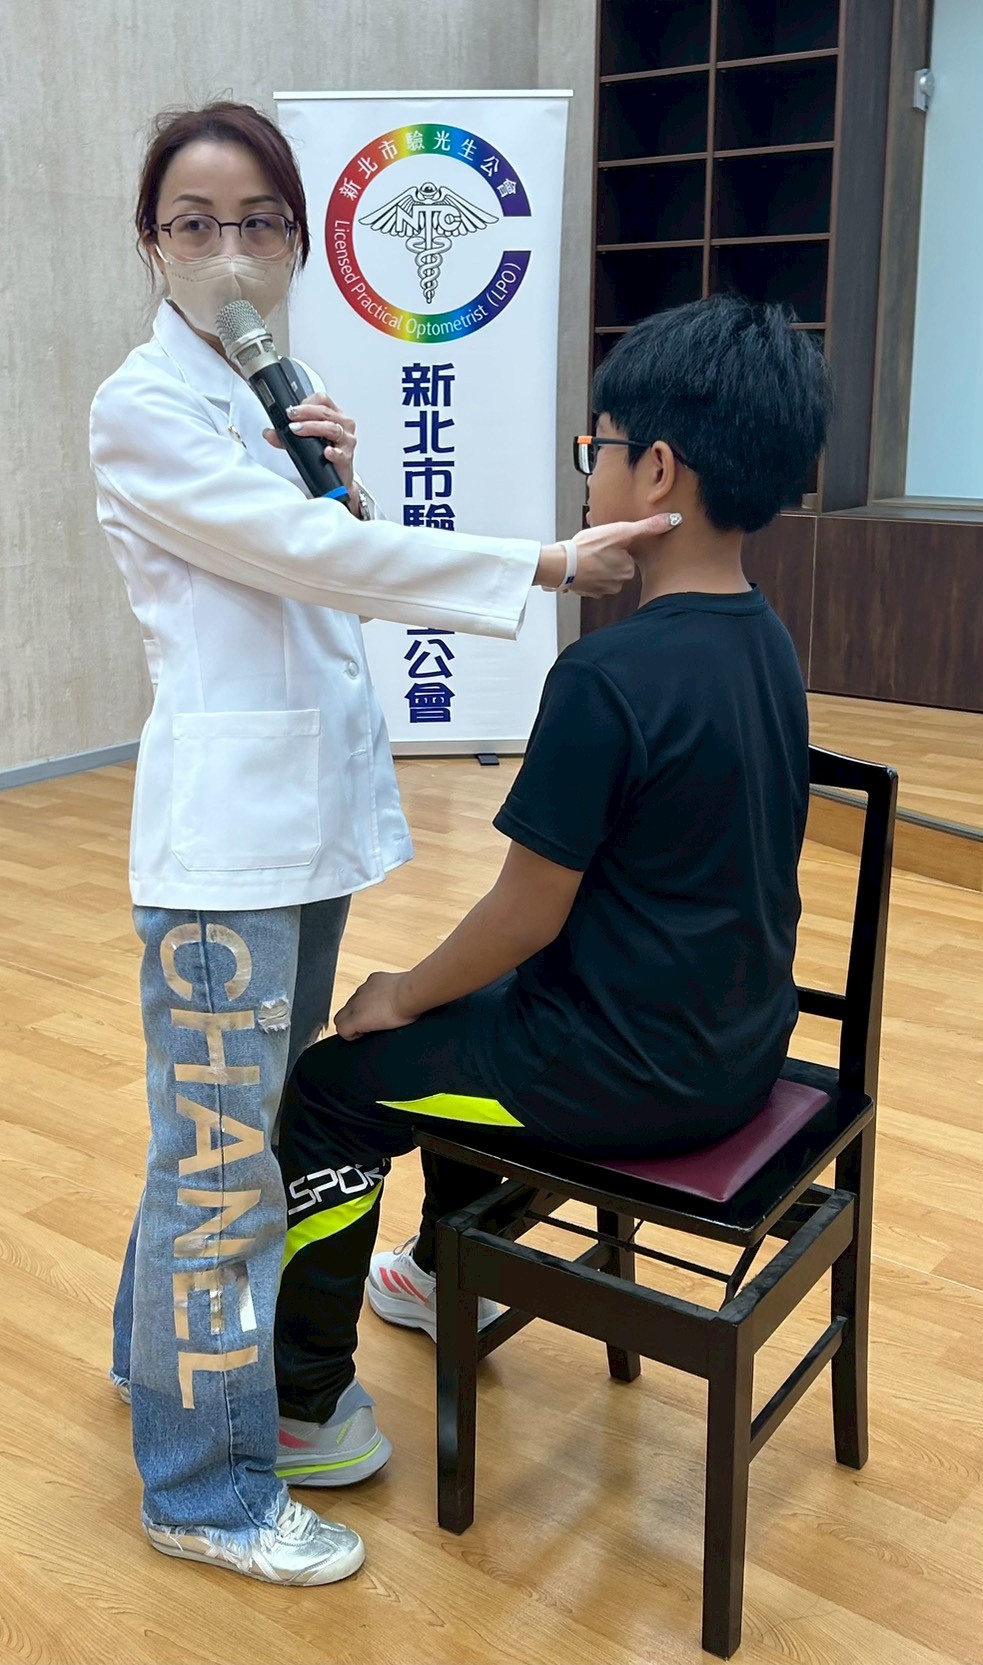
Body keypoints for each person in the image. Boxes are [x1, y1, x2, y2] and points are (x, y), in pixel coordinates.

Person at [89, 99, 674, 1587]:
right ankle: (205, 1493)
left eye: (258, 223)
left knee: (224, 1140)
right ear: (151, 244)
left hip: (301, 837)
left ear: (297, 242)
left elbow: (321, 557)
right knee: (223, 1165)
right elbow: (310, 558)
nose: (229, 252)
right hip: (227, 855)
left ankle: (156, 1369)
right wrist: (543, 561)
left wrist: (329, 467)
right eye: (195, 224)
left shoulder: (269, 397)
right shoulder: (142, 407)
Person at [272, 296, 832, 1500]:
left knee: (329, 1088)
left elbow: (524, 913)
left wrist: (393, 992)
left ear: (656, 469)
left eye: (597, 449)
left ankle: (302, 1408)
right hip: (739, 1047)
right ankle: (436, 1275)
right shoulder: (767, 644)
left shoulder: (605, 675)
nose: (588, 475)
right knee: (477, 1020)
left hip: (623, 1083)